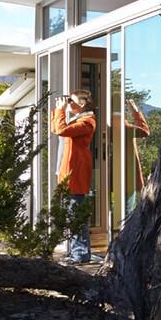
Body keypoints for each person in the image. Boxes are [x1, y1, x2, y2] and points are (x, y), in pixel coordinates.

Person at [53, 90, 96, 264]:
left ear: (83, 103)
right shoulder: (76, 120)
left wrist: (61, 110)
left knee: (76, 214)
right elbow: (55, 128)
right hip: (67, 170)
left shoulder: (87, 122)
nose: (69, 103)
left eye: (72, 101)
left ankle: (80, 254)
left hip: (76, 172)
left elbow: (60, 130)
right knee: (72, 214)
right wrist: (59, 108)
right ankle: (76, 251)